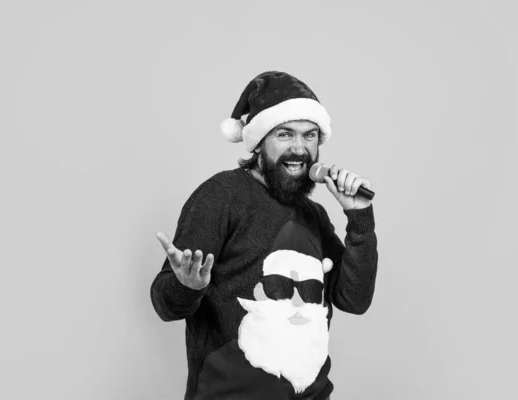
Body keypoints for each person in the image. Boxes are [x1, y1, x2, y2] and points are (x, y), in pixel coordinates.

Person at [151, 71, 378, 400]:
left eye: (310, 135)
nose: (299, 148)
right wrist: (186, 287)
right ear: (258, 142)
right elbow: (164, 303)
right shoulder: (220, 196)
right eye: (285, 134)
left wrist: (359, 216)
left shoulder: (314, 215)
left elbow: (354, 301)